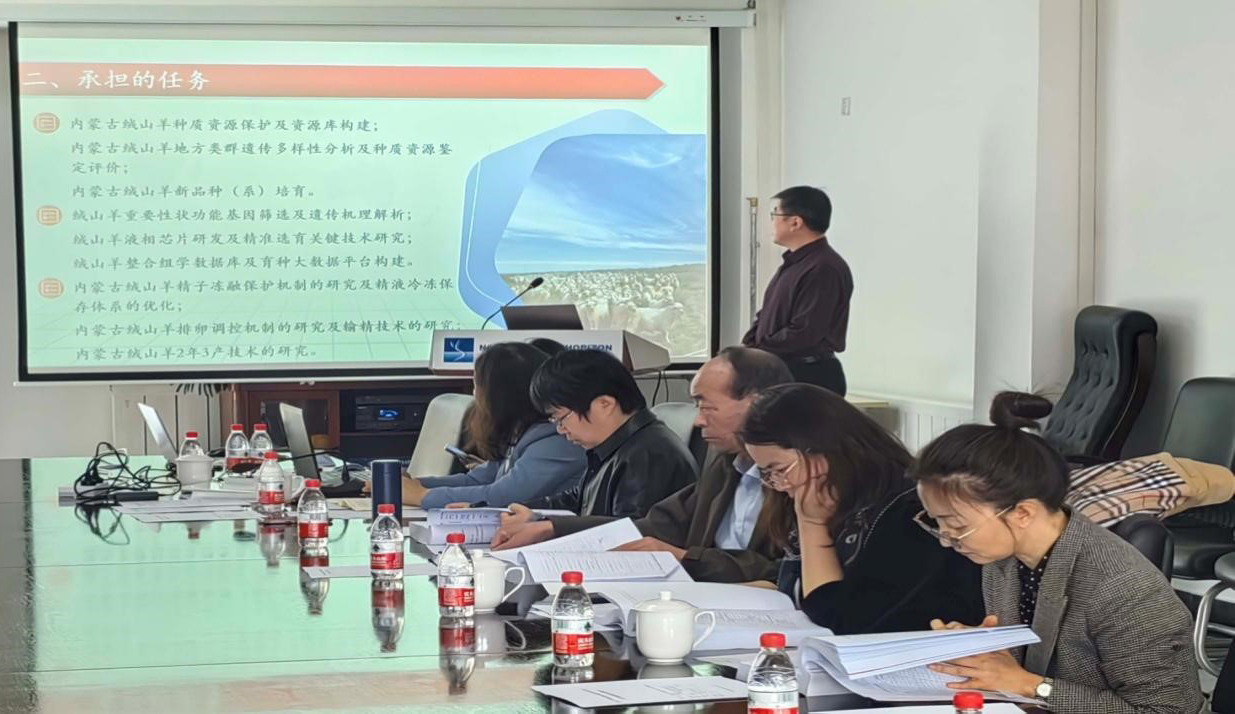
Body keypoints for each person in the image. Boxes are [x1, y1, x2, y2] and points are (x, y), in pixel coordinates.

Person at [911, 393, 1206, 713]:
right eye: (937, 523)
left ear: (1022, 513)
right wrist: (985, 650)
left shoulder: (1123, 588)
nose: (946, 540)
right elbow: (1035, 659)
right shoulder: (1005, 559)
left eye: (957, 525)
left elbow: (1165, 710)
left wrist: (1028, 684)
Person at [492, 346, 792, 584]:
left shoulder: (799, 475)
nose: (698, 420)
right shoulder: (727, 467)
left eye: (708, 407)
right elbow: (656, 524)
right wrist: (549, 527)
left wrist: (685, 558)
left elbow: (787, 571)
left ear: (757, 403)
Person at [740, 383, 983, 634]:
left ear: (824, 451)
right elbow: (793, 583)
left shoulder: (909, 513)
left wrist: (812, 525)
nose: (779, 485)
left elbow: (838, 619)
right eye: (766, 473)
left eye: (779, 470)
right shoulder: (822, 496)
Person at [498, 349, 696, 523]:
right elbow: (578, 499)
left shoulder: (648, 456)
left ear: (604, 404)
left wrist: (547, 528)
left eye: (562, 418)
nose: (560, 429)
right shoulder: (617, 446)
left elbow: (630, 534)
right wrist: (517, 512)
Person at [398, 342, 587, 509]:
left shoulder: (557, 440)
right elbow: (476, 480)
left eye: (477, 385)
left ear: (499, 396)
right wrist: (412, 485)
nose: (474, 395)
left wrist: (422, 496)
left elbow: (501, 496)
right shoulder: (523, 432)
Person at [742, 186, 852, 396]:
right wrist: (748, 347)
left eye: (774, 215)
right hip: (784, 372)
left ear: (795, 222)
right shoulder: (795, 263)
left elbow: (805, 331)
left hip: (808, 376)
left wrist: (757, 351)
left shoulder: (823, 267)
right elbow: (767, 316)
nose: (771, 223)